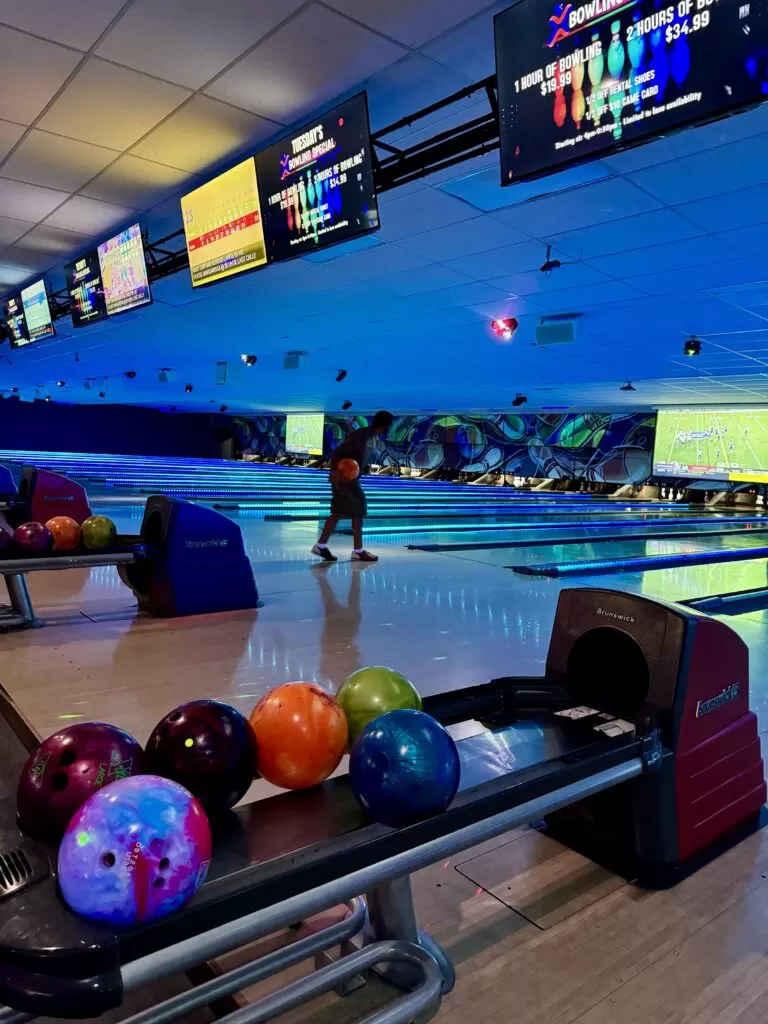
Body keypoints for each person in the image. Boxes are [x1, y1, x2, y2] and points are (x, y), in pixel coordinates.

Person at [312, 411, 394, 563]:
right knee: (359, 509)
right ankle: (357, 551)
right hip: (344, 479)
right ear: (385, 425)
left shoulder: (371, 436)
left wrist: (364, 468)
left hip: (348, 478)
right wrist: (335, 472)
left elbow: (356, 456)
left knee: (339, 512)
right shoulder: (362, 435)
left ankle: (322, 545)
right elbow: (338, 452)